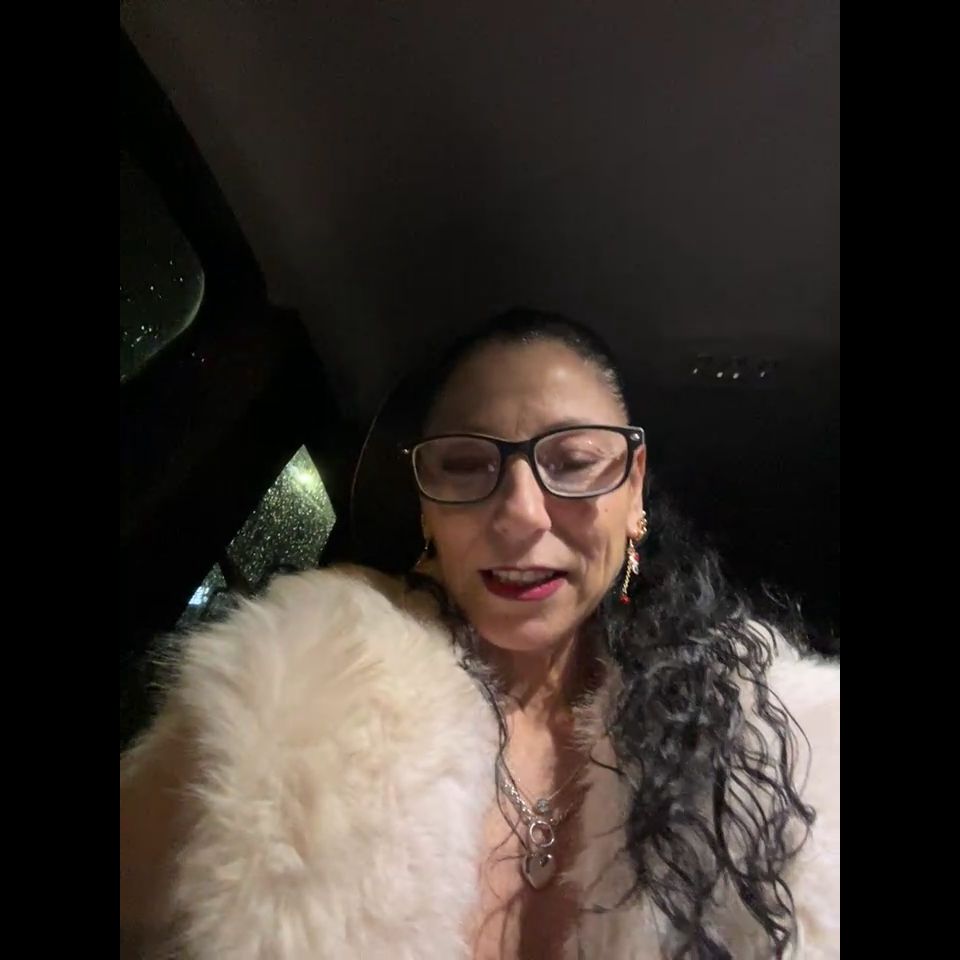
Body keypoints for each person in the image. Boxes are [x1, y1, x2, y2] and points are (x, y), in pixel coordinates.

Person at [120, 309, 840, 959]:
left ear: (633, 490)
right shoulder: (276, 704)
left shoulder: (780, 741)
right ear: (426, 506)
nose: (522, 514)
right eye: (467, 466)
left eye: (574, 463)